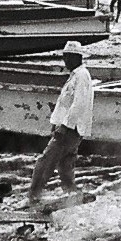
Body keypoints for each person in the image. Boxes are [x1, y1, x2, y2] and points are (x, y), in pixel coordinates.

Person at [25, 41, 93, 208]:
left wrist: (65, 125)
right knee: (65, 164)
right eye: (64, 57)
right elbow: (65, 103)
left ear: (76, 57)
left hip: (71, 128)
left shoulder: (82, 76)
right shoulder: (76, 75)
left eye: (68, 57)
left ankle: (34, 195)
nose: (65, 61)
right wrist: (56, 122)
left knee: (46, 160)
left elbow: (79, 104)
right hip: (69, 127)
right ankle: (71, 193)